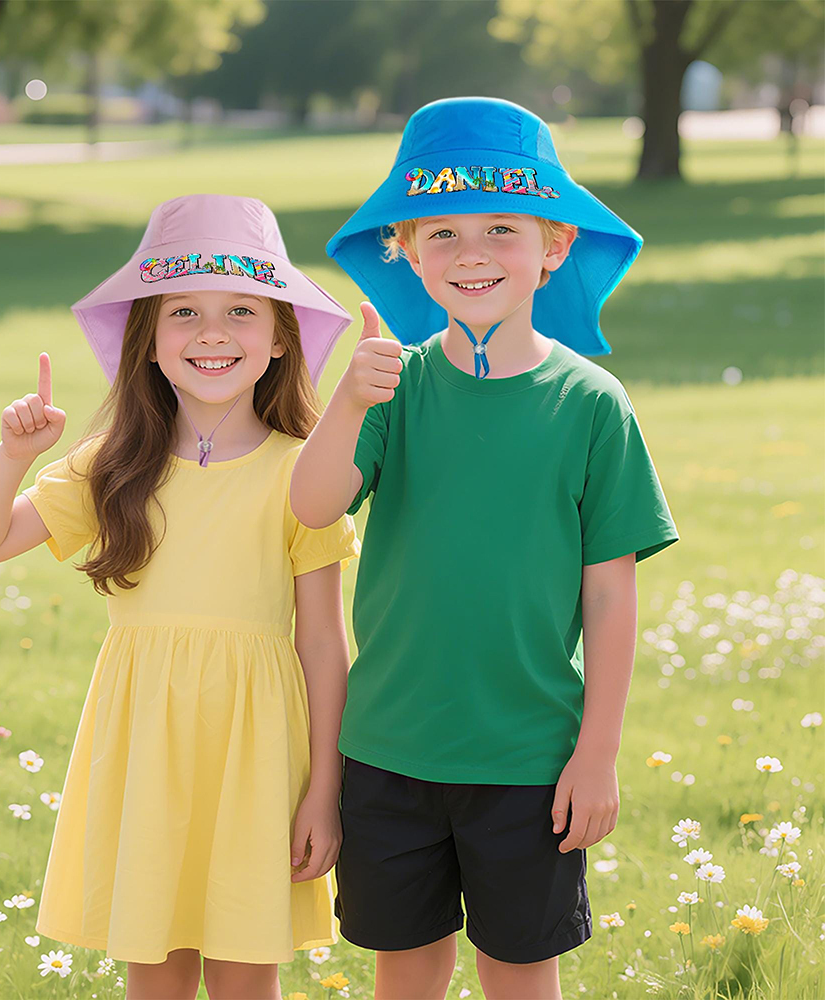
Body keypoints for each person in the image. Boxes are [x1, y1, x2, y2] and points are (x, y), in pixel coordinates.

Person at [291, 97, 679, 1000]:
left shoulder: (591, 404)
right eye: (443, 233)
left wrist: (598, 752)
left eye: (502, 229)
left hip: (530, 759)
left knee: (519, 967)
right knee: (407, 966)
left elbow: (612, 596)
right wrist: (345, 401)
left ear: (553, 246)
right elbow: (313, 508)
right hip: (389, 750)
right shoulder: (393, 387)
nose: (472, 254)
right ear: (408, 252)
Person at [0, 194, 359, 1000]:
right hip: (147, 748)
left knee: (247, 971)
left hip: (259, 754)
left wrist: (325, 789)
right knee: (156, 967)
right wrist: (12, 457)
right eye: (185, 314)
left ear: (280, 340)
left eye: (241, 311)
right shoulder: (114, 464)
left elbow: (322, 642)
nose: (213, 333)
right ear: (148, 343)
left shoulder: (302, 473)